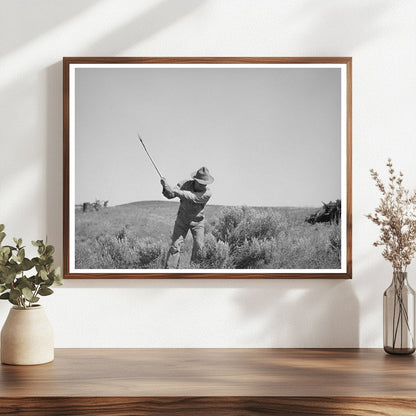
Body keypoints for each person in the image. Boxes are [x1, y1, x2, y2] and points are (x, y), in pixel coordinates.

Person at [161, 167, 214, 269]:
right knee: (175, 246)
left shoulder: (207, 193)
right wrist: (165, 187)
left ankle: (194, 271)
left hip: (198, 223)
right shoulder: (184, 184)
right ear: (195, 180)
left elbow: (192, 197)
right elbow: (171, 194)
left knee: (199, 246)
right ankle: (170, 272)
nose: (203, 185)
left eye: (205, 183)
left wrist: (174, 191)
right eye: (201, 183)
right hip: (182, 219)